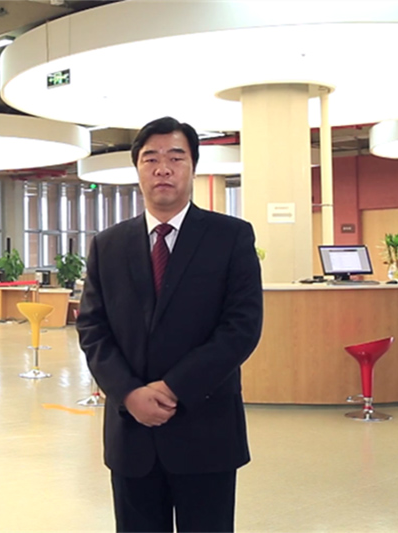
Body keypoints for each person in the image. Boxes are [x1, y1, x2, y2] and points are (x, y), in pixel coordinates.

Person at [76, 116, 263, 532]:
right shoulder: (108, 245)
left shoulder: (230, 237)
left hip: (206, 428)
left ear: (193, 166)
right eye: (151, 158)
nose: (163, 168)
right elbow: (92, 328)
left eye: (176, 158)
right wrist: (129, 393)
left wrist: (174, 387)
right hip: (132, 433)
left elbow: (242, 327)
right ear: (137, 169)